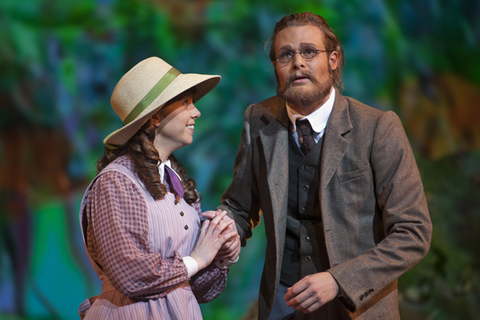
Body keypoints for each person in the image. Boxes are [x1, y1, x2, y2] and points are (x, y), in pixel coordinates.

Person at [217, 12, 432, 319]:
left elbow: (413, 232)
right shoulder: (258, 119)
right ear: (275, 67)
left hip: (357, 307)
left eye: (308, 51)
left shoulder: (377, 128)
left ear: (333, 59)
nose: (298, 63)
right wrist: (218, 233)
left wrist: (338, 281)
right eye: (285, 55)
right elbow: (239, 207)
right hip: (282, 303)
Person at [78, 56, 240, 320]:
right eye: (186, 102)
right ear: (155, 116)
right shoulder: (117, 182)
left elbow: (191, 288)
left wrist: (220, 252)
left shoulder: (179, 185)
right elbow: (131, 276)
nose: (196, 112)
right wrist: (198, 258)